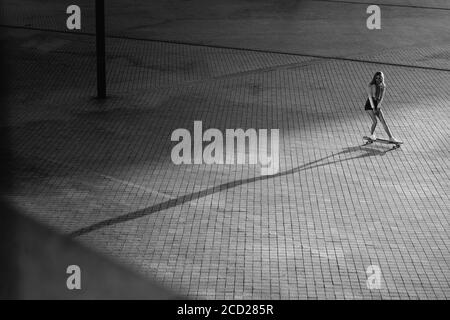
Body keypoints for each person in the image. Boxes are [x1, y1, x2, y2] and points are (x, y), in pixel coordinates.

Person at [364, 71, 399, 142]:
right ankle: (372, 135)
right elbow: (370, 97)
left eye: (379, 78)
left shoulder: (383, 86)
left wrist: (378, 107)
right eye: (376, 78)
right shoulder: (371, 85)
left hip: (377, 104)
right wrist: (373, 108)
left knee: (383, 121)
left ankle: (391, 137)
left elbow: (381, 98)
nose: (377, 79)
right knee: (375, 121)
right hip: (369, 105)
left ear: (382, 78)